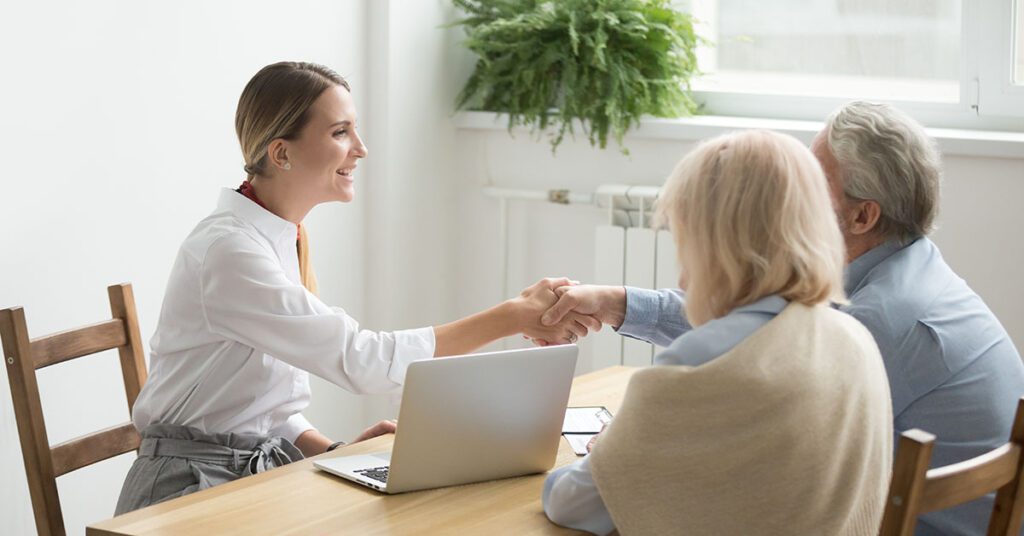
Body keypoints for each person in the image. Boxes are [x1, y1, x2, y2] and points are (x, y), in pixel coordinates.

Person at [115, 61, 596, 515]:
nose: (361, 148)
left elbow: (260, 406)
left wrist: (334, 451)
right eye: (340, 132)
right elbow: (365, 362)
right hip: (185, 489)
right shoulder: (231, 253)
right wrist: (512, 315)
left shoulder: (282, 237)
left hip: (248, 475)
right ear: (281, 152)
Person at [542, 102, 1024, 535]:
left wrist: (628, 453)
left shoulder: (876, 323)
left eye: (815, 182)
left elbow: (753, 355)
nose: (794, 194)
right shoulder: (908, 281)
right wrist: (621, 303)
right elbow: (762, 339)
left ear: (863, 217)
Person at [542, 130, 894, 535]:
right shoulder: (855, 339)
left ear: (714, 245)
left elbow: (571, 503)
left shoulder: (698, 364)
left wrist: (607, 455)